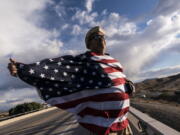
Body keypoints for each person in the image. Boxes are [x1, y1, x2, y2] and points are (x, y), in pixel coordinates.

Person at [8, 26, 133, 135]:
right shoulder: (83, 61)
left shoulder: (114, 62)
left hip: (123, 122)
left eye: (103, 37)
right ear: (89, 44)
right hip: (105, 127)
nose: (101, 39)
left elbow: (122, 81)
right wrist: (21, 69)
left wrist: (129, 85)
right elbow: (54, 69)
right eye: (96, 37)